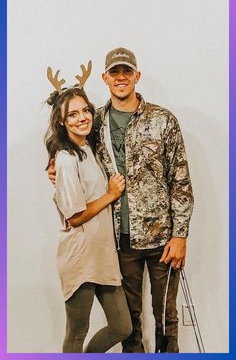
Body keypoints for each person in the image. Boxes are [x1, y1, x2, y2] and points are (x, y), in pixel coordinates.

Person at [48, 47, 194, 353]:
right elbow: (67, 145)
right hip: (119, 242)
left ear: (137, 76)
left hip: (162, 240)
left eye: (127, 71)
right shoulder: (94, 121)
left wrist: (180, 235)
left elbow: (180, 180)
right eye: (115, 72)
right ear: (105, 78)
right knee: (129, 324)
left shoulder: (163, 120)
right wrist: (52, 165)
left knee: (166, 318)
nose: (121, 77)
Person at [45, 74, 132, 353]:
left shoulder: (87, 148)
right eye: (72, 114)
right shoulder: (66, 159)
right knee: (77, 331)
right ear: (61, 121)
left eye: (85, 110)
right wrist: (110, 195)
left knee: (122, 327)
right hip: (80, 259)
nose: (82, 117)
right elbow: (75, 216)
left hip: (103, 256)